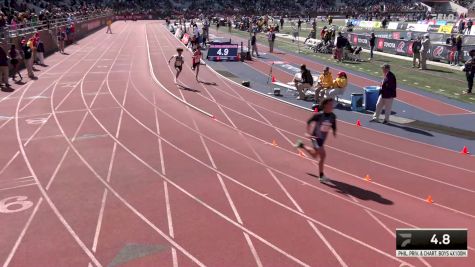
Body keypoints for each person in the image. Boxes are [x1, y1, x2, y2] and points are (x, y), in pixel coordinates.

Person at [294, 98, 337, 183]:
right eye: (330, 104)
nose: (332, 106)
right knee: (323, 155)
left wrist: (334, 131)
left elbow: (333, 124)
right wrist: (308, 133)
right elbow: (309, 122)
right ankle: (321, 176)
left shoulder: (333, 116)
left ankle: (301, 145)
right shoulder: (319, 116)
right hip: (316, 138)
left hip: (322, 139)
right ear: (325, 105)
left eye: (332, 104)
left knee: (314, 155)